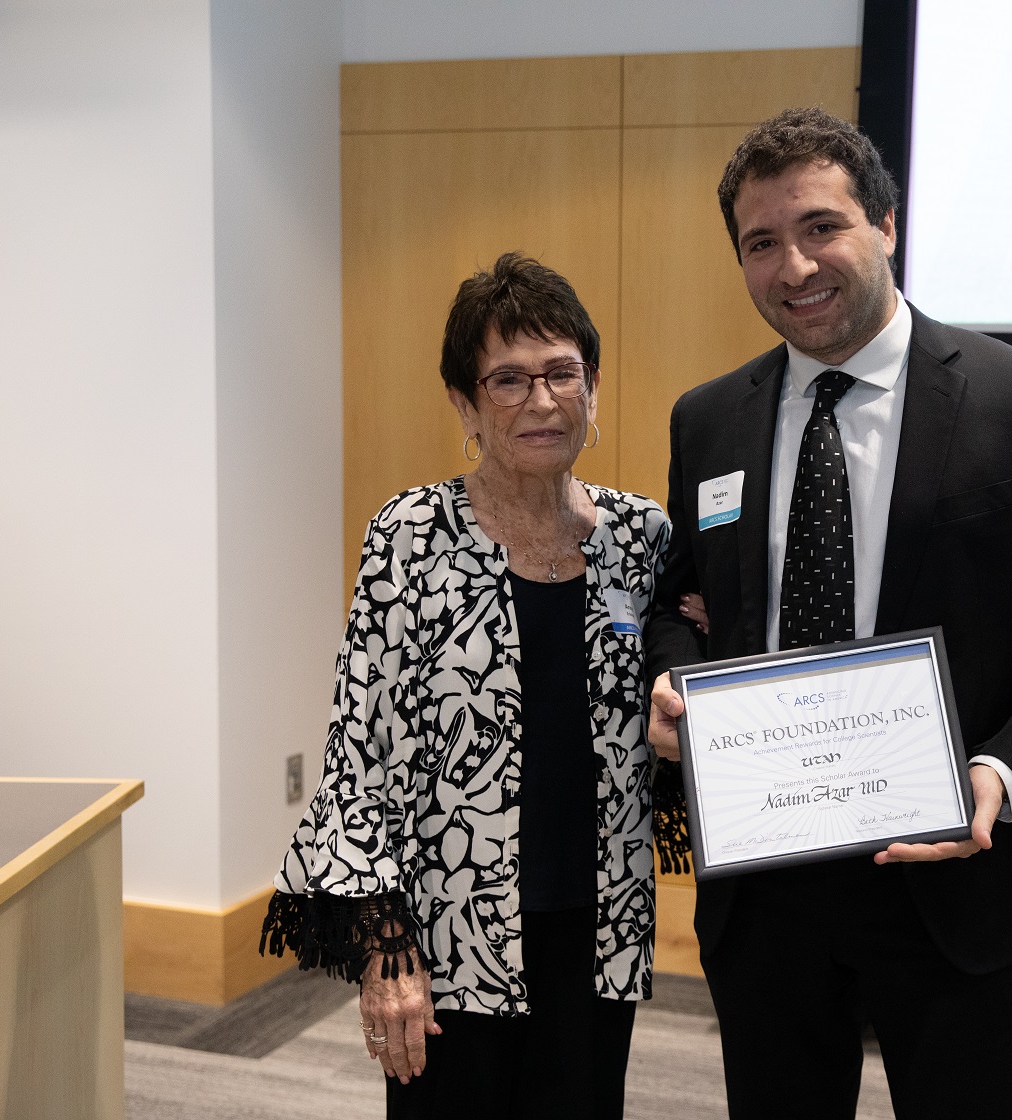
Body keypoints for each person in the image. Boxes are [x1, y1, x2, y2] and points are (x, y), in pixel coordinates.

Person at [643, 108, 1012, 1119]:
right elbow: (682, 602)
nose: (794, 267)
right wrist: (669, 673)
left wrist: (1001, 774)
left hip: (953, 870)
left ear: (886, 223)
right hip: (768, 880)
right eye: (760, 243)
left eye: (820, 227)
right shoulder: (708, 419)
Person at [261, 253, 673, 1119]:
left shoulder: (640, 537)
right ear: (464, 403)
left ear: (594, 386)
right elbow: (359, 757)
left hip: (598, 928)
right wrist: (385, 951)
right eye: (508, 380)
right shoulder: (410, 537)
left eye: (562, 372)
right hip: (450, 931)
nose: (542, 401)